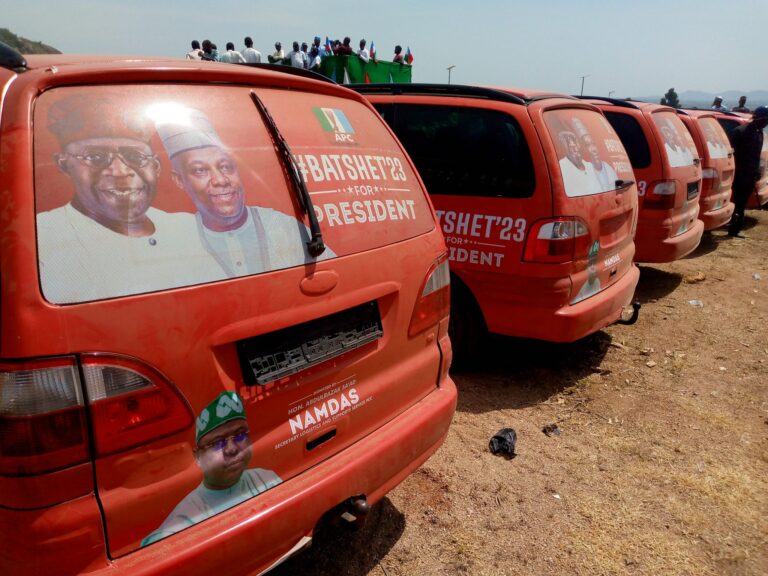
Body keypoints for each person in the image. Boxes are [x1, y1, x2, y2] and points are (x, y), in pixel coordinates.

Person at [37, 95, 224, 303]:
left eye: (135, 156)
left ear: (156, 167)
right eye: (95, 157)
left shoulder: (186, 227)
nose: (120, 171)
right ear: (64, 164)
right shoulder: (41, 237)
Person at [155, 107, 335, 277]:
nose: (221, 180)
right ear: (179, 180)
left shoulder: (282, 226)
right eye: (200, 170)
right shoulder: (174, 240)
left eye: (225, 166)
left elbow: (334, 273)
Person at [141, 391, 282, 547]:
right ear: (198, 457)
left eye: (240, 435)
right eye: (217, 443)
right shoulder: (187, 518)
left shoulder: (266, 479)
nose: (232, 449)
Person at [727, 106, 768, 238]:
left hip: (750, 177)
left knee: (742, 204)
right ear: (759, 118)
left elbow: (755, 156)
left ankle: (736, 228)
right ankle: (732, 228)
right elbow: (732, 155)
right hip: (738, 176)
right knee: (735, 202)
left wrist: (756, 172)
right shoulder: (740, 132)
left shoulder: (760, 134)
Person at [557, 129, 600, 196]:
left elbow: (598, 190)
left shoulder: (589, 166)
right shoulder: (561, 167)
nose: (573, 146)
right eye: (568, 143)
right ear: (563, 148)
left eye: (574, 141)